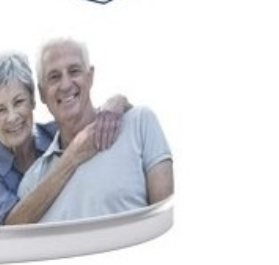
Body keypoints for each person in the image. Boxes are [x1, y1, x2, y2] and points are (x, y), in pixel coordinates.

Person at [0, 51, 130, 227]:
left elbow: (101, 122)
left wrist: (117, 102)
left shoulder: (55, 133)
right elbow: (12, 226)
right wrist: (71, 157)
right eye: (0, 110)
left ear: (32, 102)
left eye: (19, 102)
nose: (12, 117)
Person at [17, 38, 172, 221]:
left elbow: (165, 219)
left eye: (74, 71)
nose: (65, 85)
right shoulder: (31, 184)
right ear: (42, 93)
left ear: (90, 77)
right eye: (54, 77)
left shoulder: (139, 124)